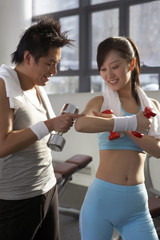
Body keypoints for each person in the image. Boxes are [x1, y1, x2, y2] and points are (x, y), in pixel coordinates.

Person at [0, 17, 83, 240]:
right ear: (28, 57)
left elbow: (37, 132)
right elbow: (2, 144)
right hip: (18, 198)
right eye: (49, 63)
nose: (54, 71)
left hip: (47, 186)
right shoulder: (3, 85)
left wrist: (58, 125)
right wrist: (49, 125)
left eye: (56, 63)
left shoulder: (38, 87)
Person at [75, 36, 160, 240]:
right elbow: (81, 124)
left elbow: (157, 150)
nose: (108, 75)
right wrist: (129, 123)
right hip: (101, 203)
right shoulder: (101, 102)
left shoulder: (152, 107)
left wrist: (129, 128)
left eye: (114, 67)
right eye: (103, 69)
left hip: (137, 207)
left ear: (131, 63)